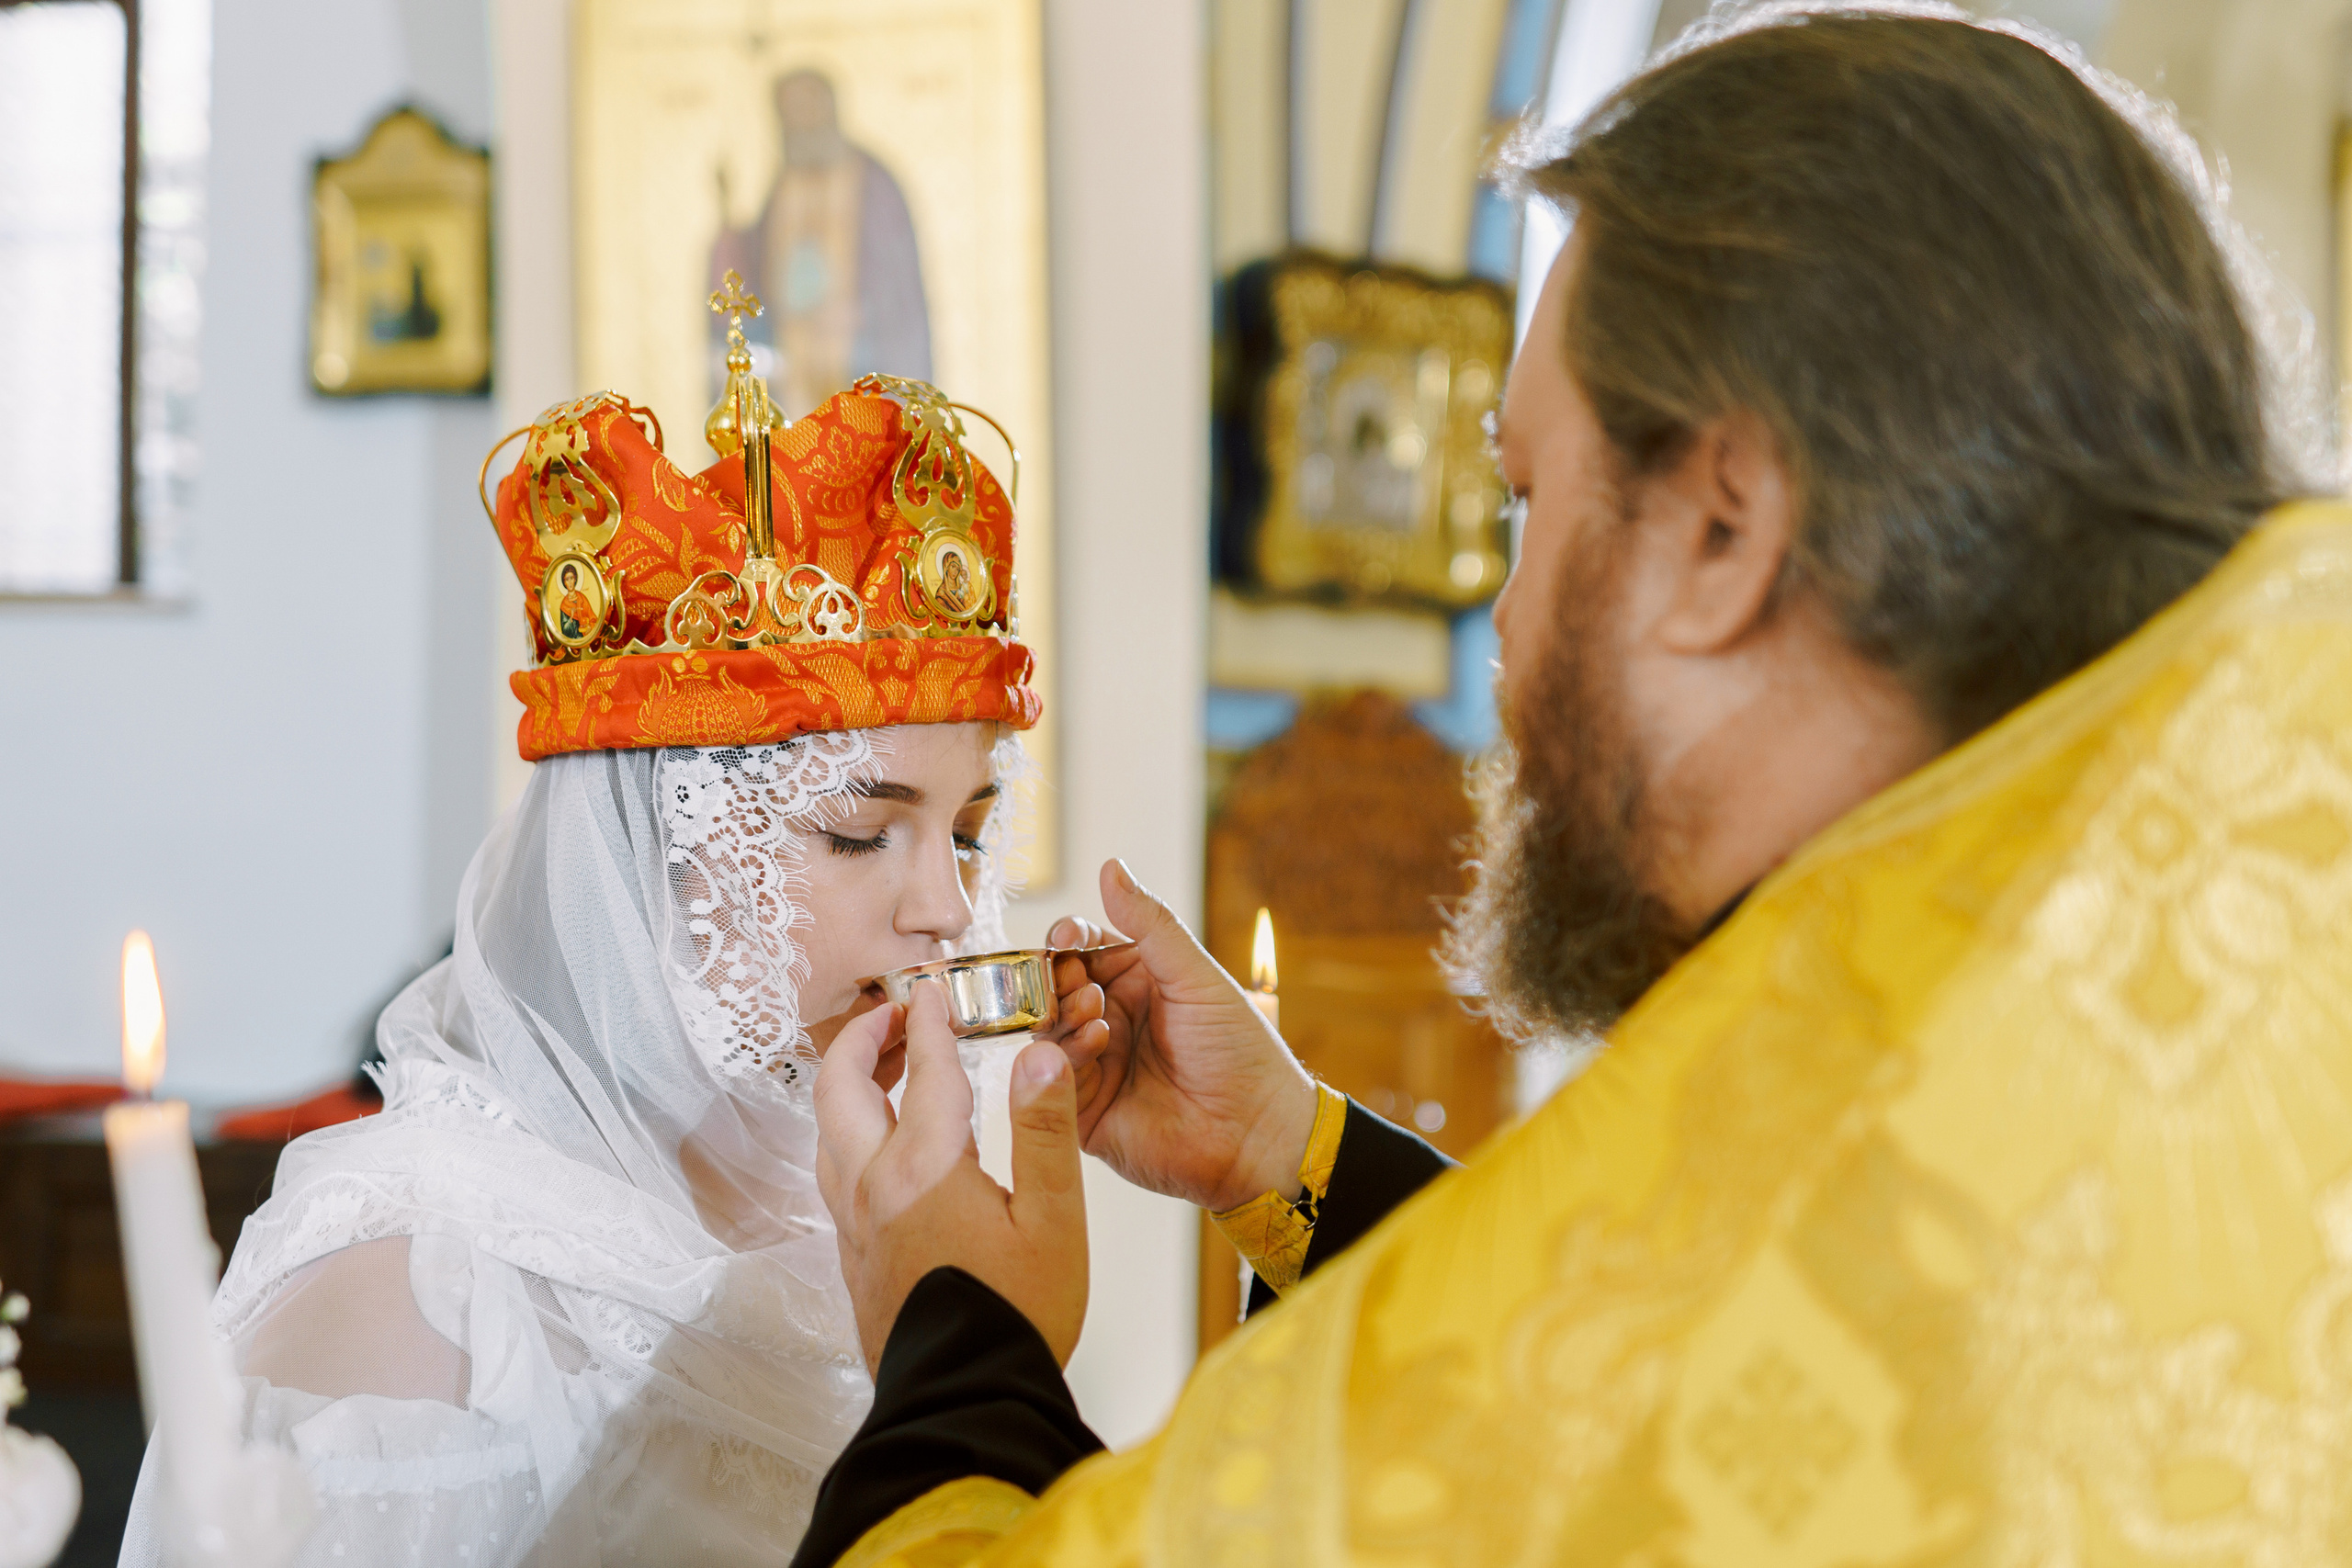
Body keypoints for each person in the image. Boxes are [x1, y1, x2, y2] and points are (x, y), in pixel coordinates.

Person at [797, 6, 2352, 1565]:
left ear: (1729, 532)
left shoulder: (1869, 1092)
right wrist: (1299, 1163)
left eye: (1527, 499)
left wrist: (957, 1337)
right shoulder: (2192, 937)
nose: (1507, 615)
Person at [119, 371, 1054, 1565]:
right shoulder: (428, 1279)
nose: (947, 906)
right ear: (651, 848)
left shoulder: (859, 1208)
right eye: (861, 831)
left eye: (968, 831)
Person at [709, 69, 933, 420]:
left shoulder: (874, 183)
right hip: (793, 358)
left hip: (861, 353)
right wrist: (731, 243)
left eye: (808, 108)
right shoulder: (784, 184)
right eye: (790, 112)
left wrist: (862, 313)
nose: (801, 121)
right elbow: (758, 268)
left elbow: (899, 290)